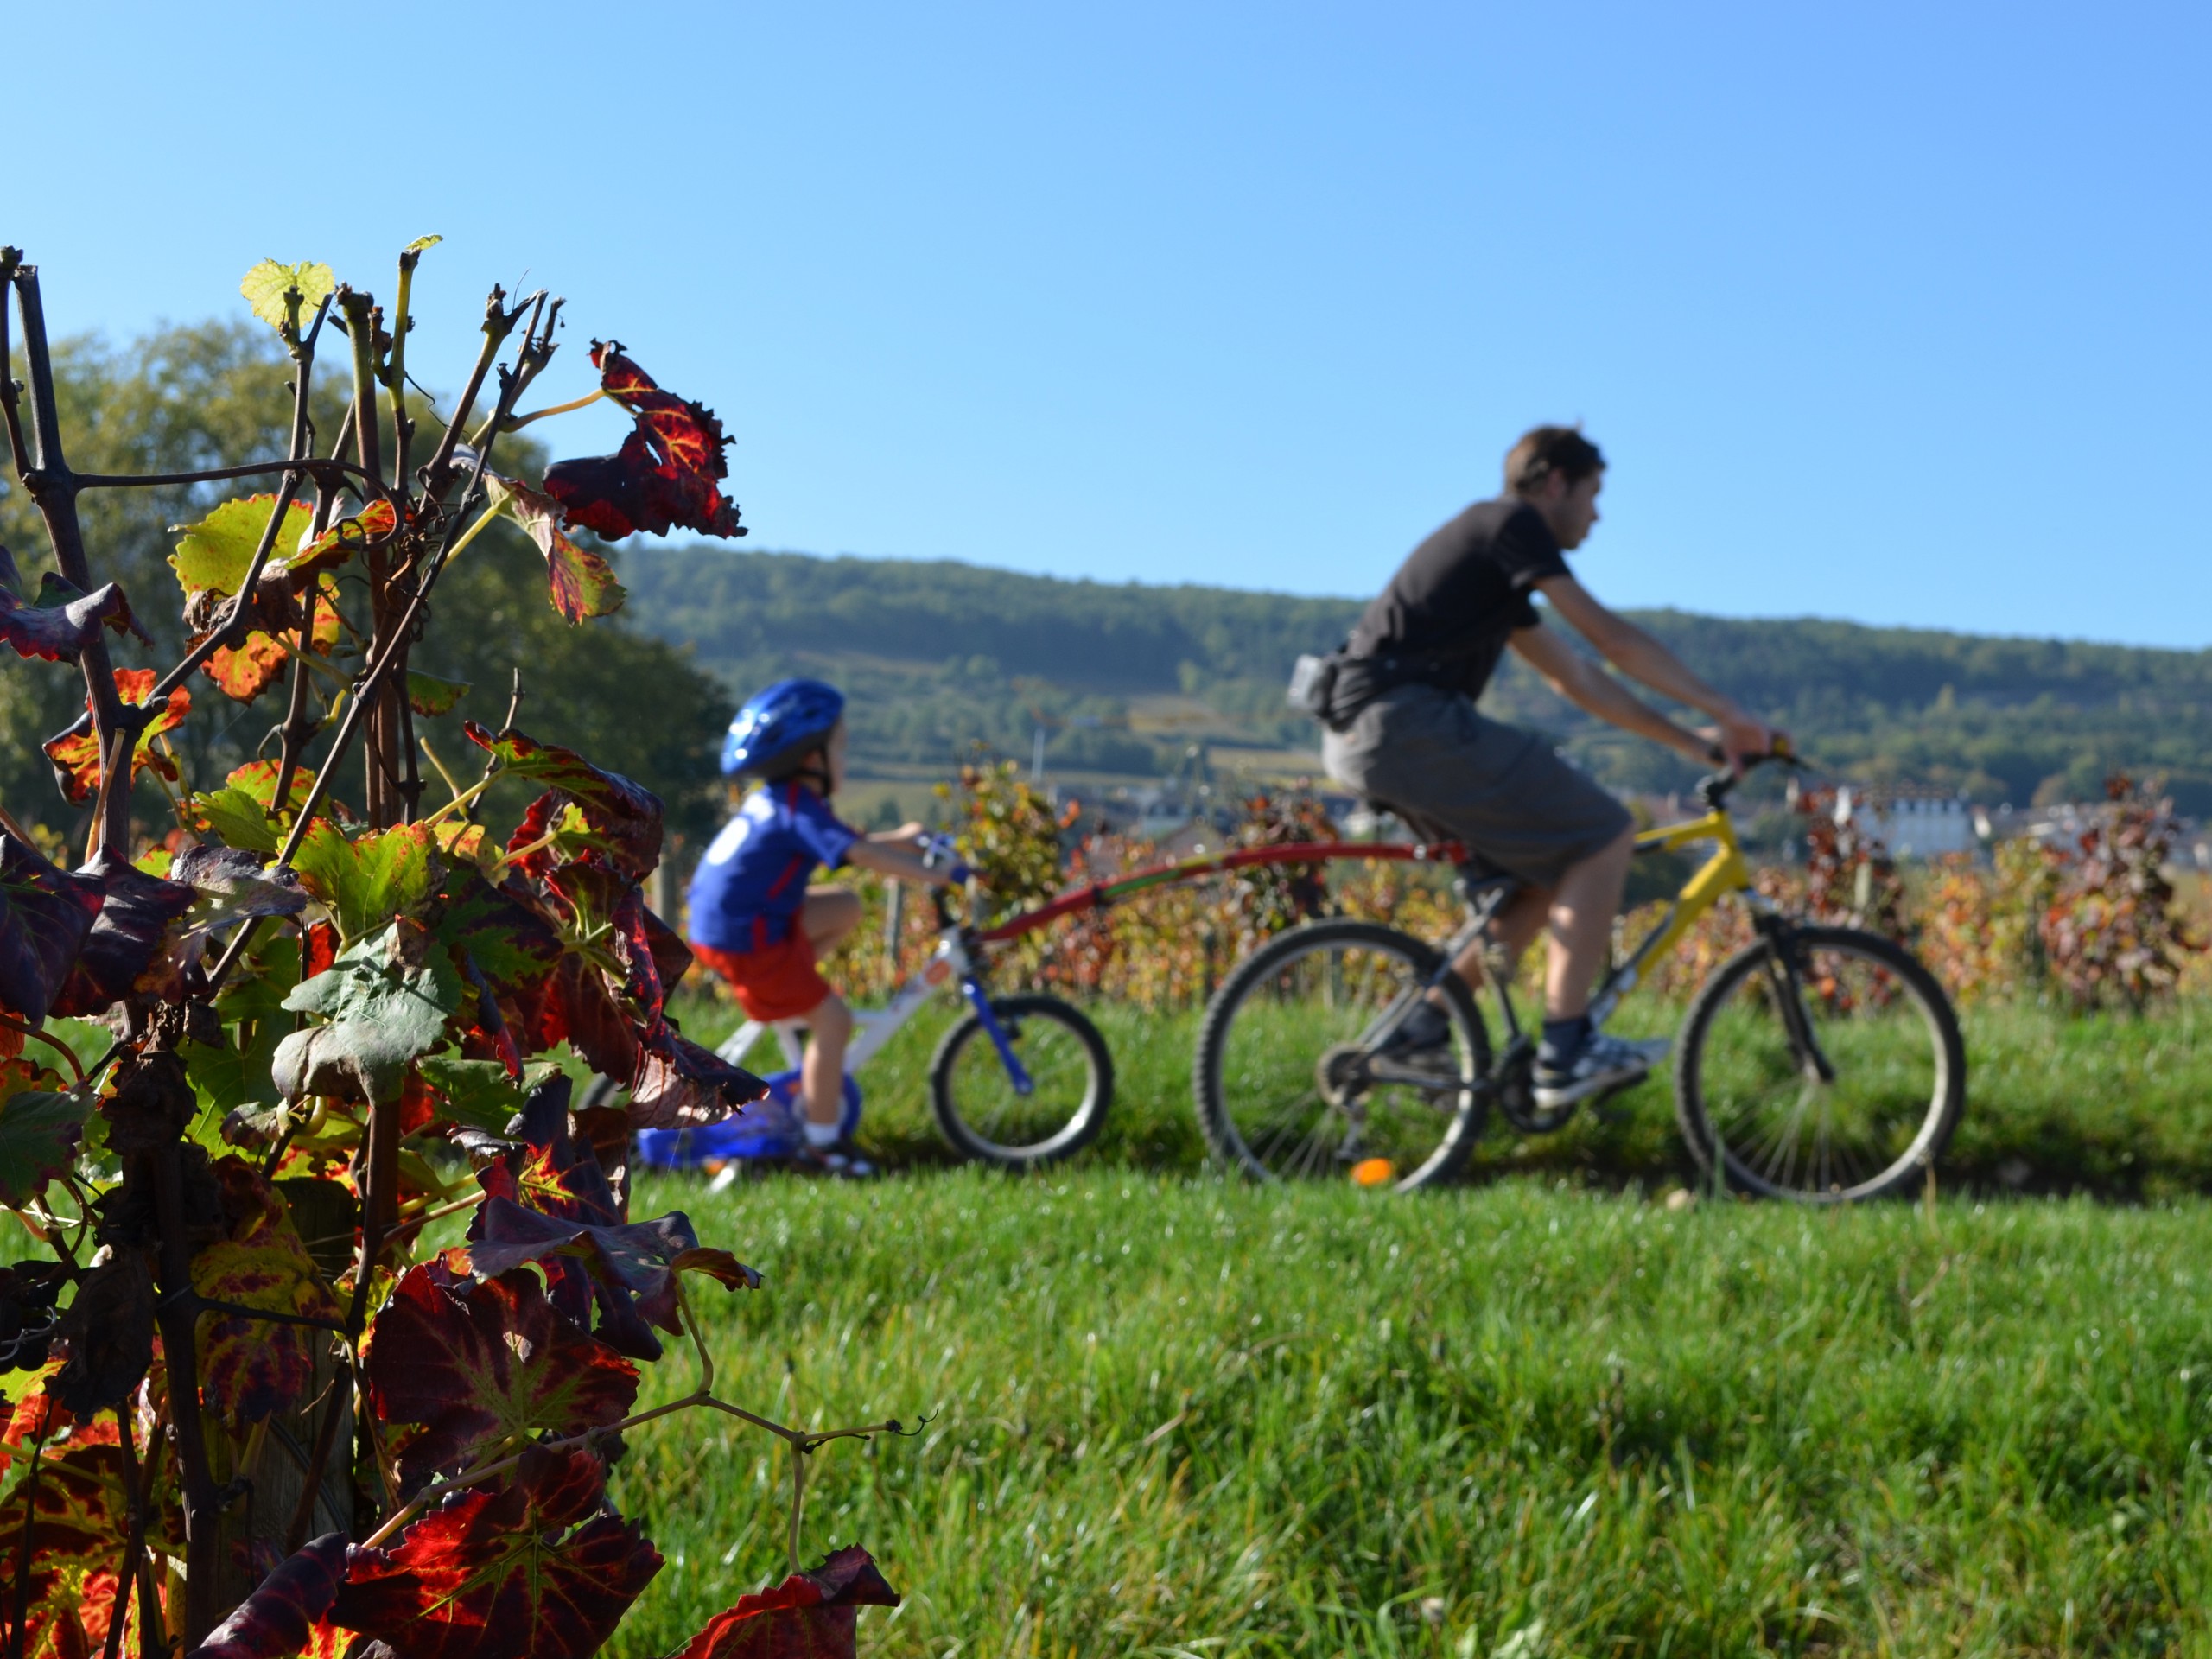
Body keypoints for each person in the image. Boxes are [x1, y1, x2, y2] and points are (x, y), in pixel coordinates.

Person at [1320, 426, 1783, 1108]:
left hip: (1375, 734)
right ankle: (1566, 1053)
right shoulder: (1508, 524)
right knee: (1602, 831)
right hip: (1404, 722)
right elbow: (1612, 640)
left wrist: (1700, 743)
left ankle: (1420, 1030)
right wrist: (1731, 710)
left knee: (1543, 877)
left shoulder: (1492, 569)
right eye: (1593, 494)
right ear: (1554, 483)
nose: (1598, 515)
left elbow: (1580, 680)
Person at [686, 678, 963, 1176]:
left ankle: (790, 993)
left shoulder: (783, 800)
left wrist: (903, 839)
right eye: (840, 747)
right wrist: (939, 875)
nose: (845, 757)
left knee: (846, 906)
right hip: (747, 940)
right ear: (809, 756)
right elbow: (859, 853)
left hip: (733, 927)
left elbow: (849, 843)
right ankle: (821, 1147)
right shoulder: (798, 805)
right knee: (833, 1021)